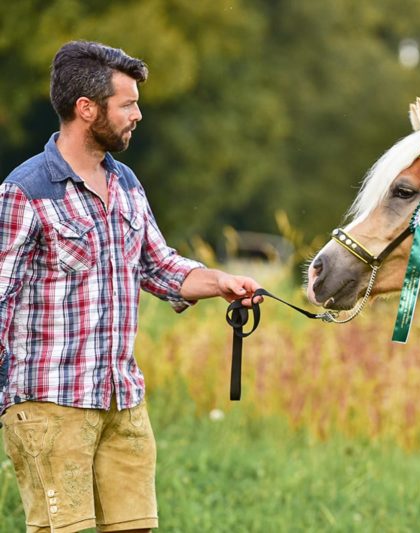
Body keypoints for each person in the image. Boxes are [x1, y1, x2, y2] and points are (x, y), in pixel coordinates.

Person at [0, 40, 262, 533]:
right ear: (86, 109)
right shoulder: (24, 192)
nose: (138, 114)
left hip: (122, 399)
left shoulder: (126, 184)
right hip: (51, 403)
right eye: (127, 104)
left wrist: (220, 281)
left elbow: (158, 265)